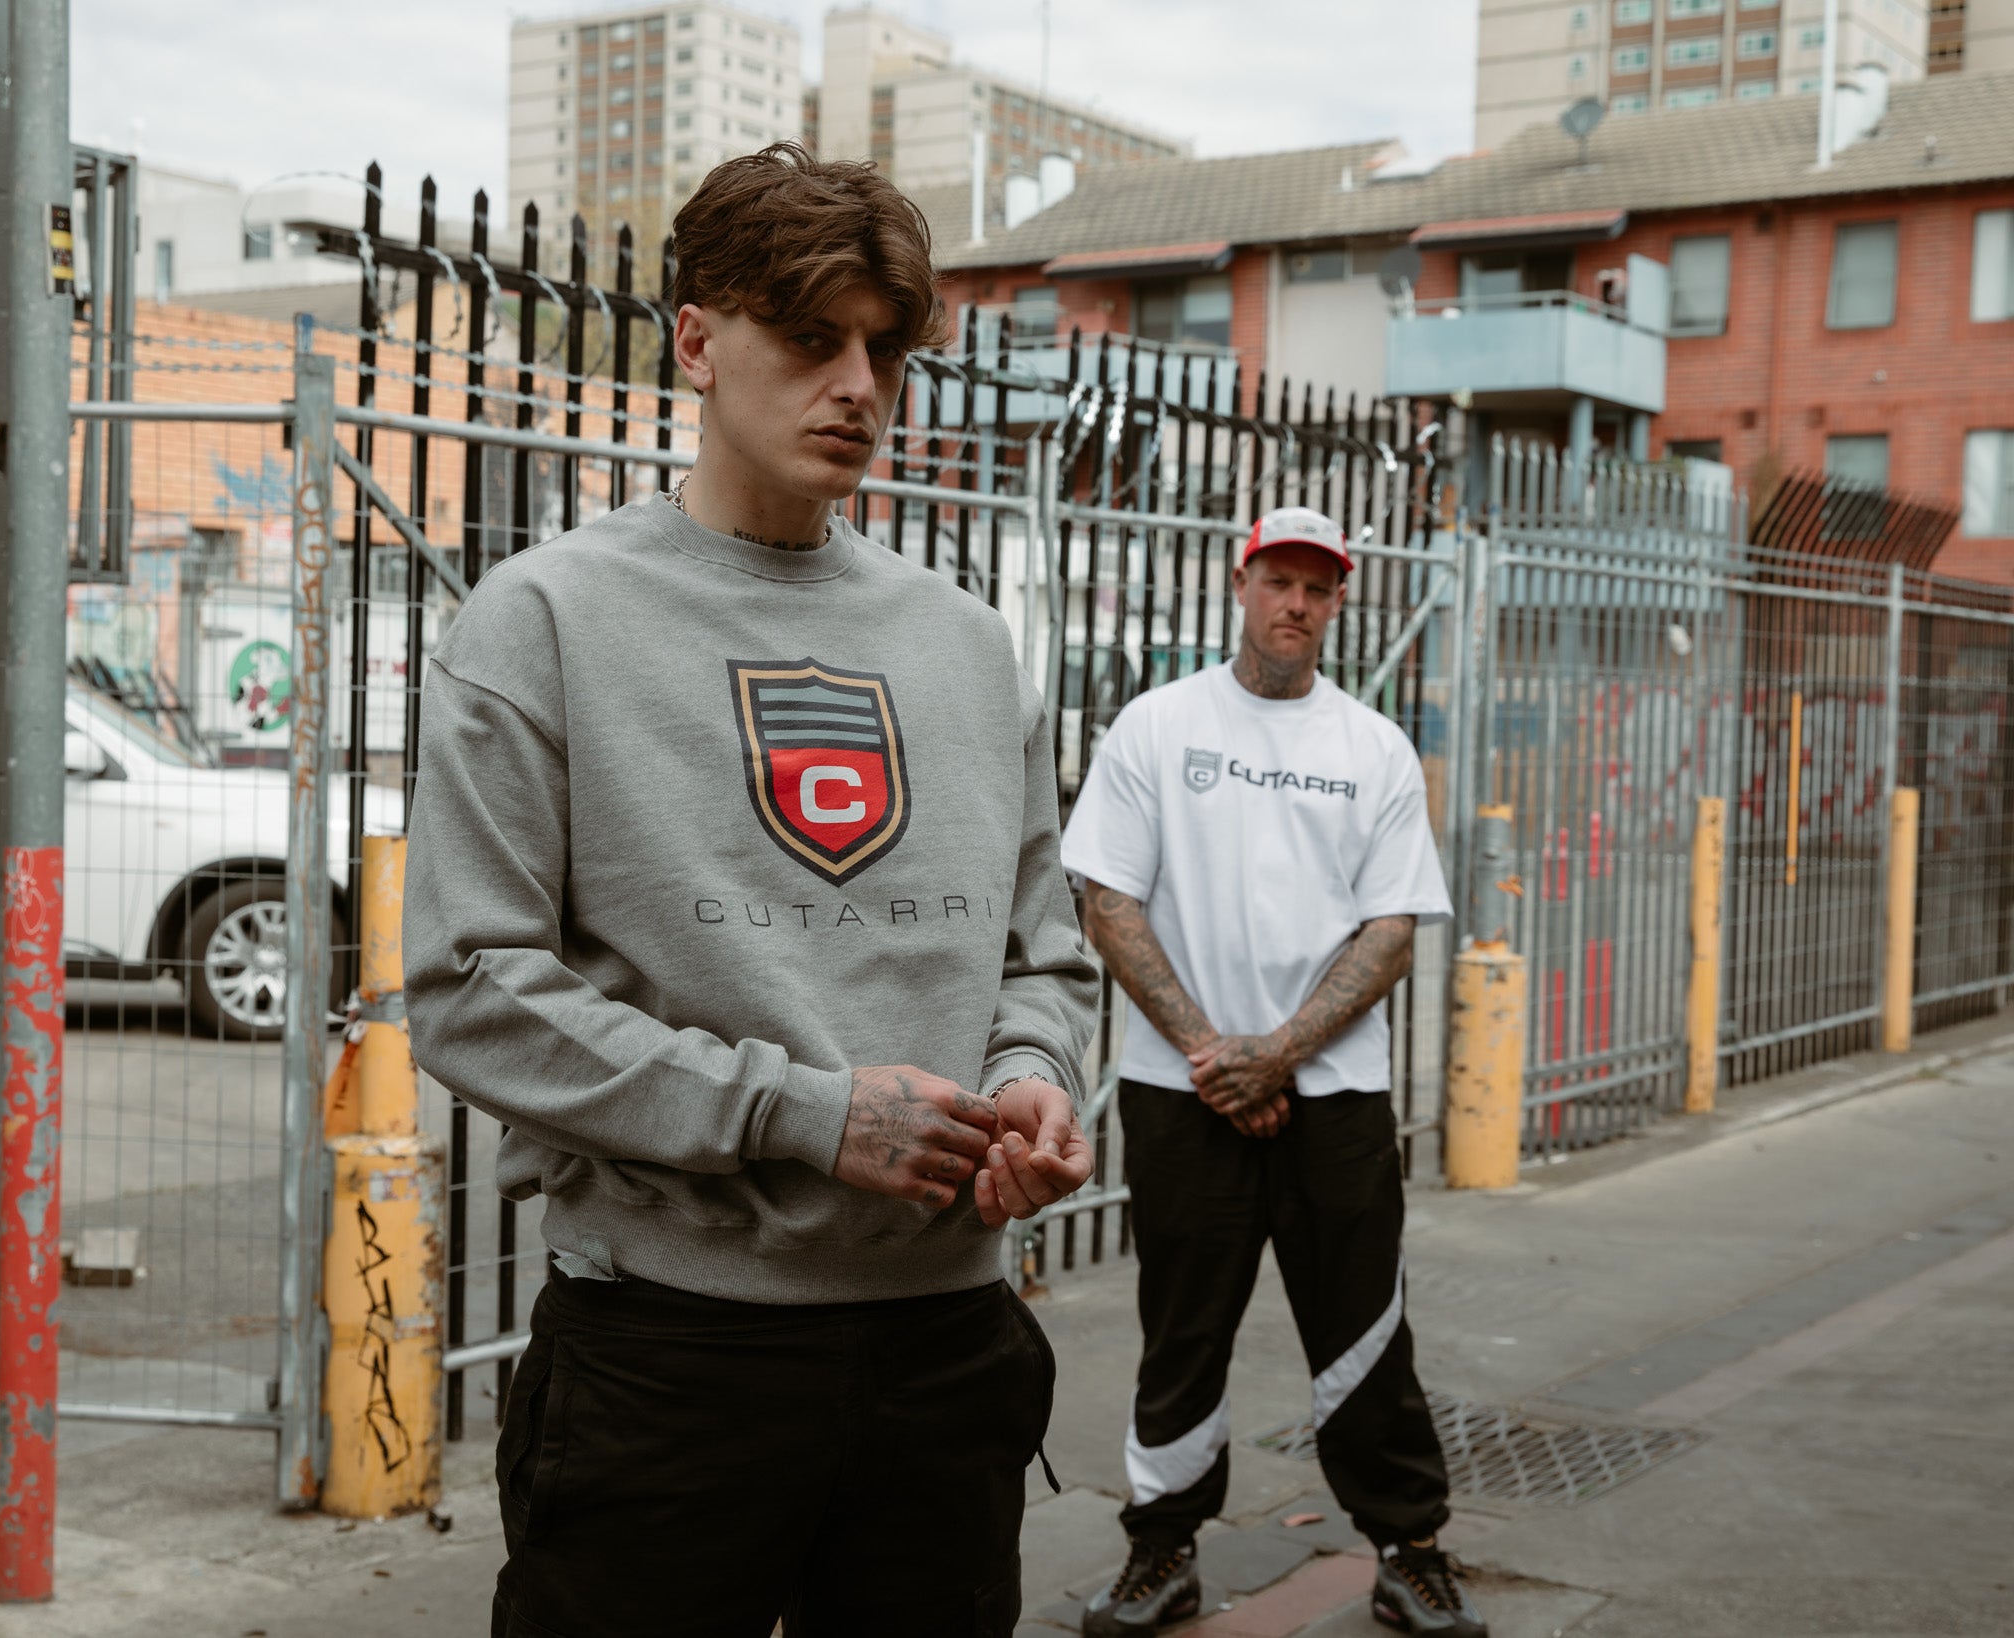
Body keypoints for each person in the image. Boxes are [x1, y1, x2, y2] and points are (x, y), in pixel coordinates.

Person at [404, 144, 1100, 1638]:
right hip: (673, 1364)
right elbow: (470, 989)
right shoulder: (545, 621)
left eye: (885, 349)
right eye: (811, 337)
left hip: (950, 1352)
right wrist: (805, 1112)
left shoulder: (968, 648)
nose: (858, 384)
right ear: (700, 340)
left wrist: (1036, 1074)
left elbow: (1042, 952)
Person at [1061, 506, 1485, 1638]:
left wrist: (1277, 1055)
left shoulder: (1371, 748)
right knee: (1181, 1324)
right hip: (1179, 1091)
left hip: (1332, 1097)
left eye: (1317, 587)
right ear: (1239, 583)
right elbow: (1108, 902)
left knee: (1361, 1330)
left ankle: (1410, 1547)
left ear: (1337, 602)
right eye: (1277, 581)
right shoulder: (1156, 727)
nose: (1295, 604)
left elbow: (1392, 930)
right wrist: (1216, 1057)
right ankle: (1160, 1552)